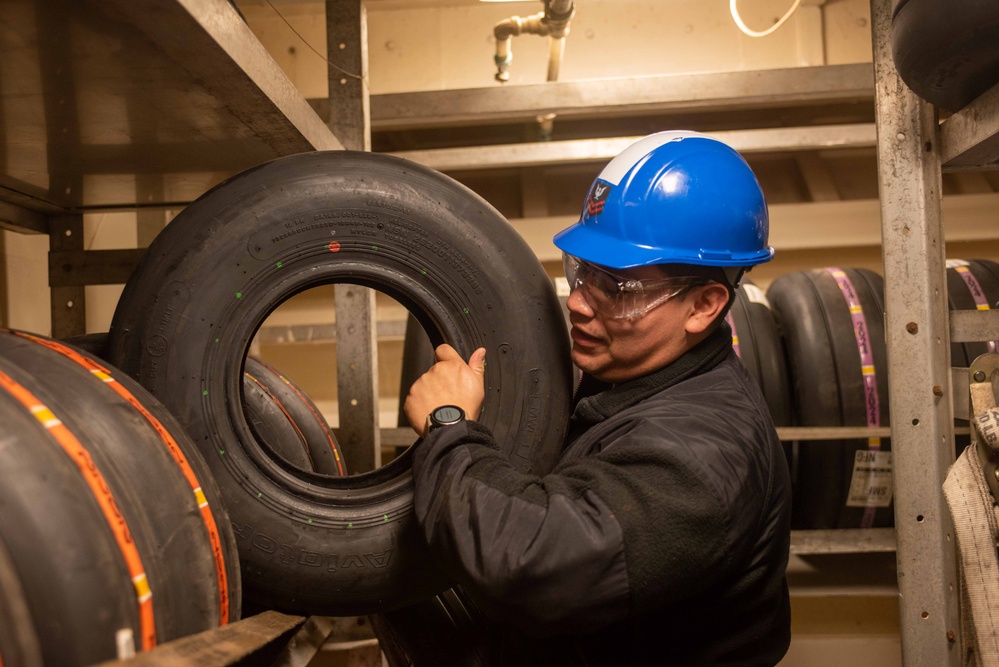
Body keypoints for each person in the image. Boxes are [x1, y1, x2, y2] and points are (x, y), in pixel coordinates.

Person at [403, 131, 792, 665]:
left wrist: (448, 425)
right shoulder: (626, 378)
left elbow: (535, 563)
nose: (579, 304)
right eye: (580, 272)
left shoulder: (701, 453)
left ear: (704, 305)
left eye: (615, 287)